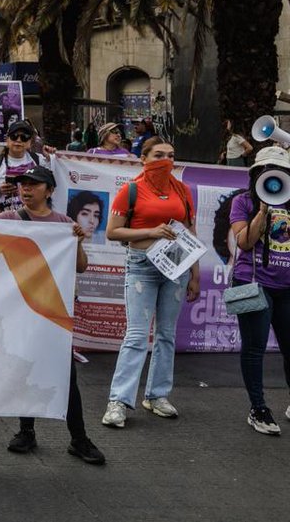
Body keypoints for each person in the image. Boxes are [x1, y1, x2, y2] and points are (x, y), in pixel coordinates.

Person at [0, 166, 106, 465]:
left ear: (50, 190)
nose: (26, 189)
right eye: (22, 185)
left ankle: (79, 438)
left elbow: (81, 266)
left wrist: (78, 241)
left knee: (64, 375)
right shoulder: (8, 220)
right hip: (18, 308)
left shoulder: (64, 224)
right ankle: (26, 431)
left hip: (54, 310)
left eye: (34, 184)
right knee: (25, 367)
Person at [102, 136, 200, 428]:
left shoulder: (182, 191)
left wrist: (195, 275)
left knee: (166, 334)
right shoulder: (130, 190)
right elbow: (113, 232)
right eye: (159, 155)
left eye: (171, 155)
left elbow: (190, 233)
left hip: (176, 269)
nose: (166, 161)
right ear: (143, 158)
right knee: (136, 335)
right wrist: (151, 232)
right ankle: (118, 401)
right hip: (142, 267)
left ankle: (157, 395)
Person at [227, 146, 290, 435]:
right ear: (254, 175)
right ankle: (258, 408)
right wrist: (264, 209)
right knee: (254, 348)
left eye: (280, 172)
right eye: (265, 171)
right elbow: (245, 242)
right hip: (251, 283)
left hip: (286, 286)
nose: (272, 177)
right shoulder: (243, 202)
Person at [0, 120, 51, 216]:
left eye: (24, 137)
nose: (19, 140)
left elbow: (53, 188)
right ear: (7, 140)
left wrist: (52, 158)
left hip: (32, 223)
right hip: (2, 224)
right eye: (14, 136)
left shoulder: (39, 160)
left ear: (30, 142)